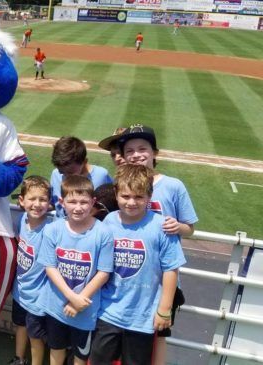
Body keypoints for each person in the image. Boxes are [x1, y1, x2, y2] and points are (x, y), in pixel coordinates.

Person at [115, 124, 197, 365]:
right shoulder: (122, 184)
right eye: (130, 150)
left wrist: (178, 226)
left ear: (155, 152)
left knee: (159, 336)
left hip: (163, 279)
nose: (137, 154)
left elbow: (190, 227)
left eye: (143, 148)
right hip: (129, 276)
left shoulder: (173, 186)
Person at [90, 164, 186, 365]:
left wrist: (164, 309)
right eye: (125, 196)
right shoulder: (109, 221)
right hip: (108, 311)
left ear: (149, 196)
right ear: (116, 194)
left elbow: (171, 269)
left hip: (142, 317)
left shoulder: (161, 226)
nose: (131, 202)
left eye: (139, 197)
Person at [40, 175, 113, 365]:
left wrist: (79, 301)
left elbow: (103, 272)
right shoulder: (53, 229)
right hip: (56, 306)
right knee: (56, 350)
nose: (78, 207)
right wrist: (72, 298)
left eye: (83, 202)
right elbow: (50, 267)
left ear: (93, 202)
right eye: (72, 201)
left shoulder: (103, 232)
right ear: (62, 202)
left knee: (81, 356)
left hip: (85, 310)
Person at [9, 175, 53, 365]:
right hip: (20, 291)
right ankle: (19, 359)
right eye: (32, 199)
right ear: (21, 200)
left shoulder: (52, 228)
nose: (37, 204)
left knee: (36, 337)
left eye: (42, 199)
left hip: (38, 297)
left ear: (49, 203)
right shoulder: (21, 220)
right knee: (20, 326)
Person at [50, 136, 112, 218]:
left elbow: (112, 205)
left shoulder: (101, 175)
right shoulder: (55, 174)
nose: (66, 176)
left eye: (70, 172)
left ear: (84, 162)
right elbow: (53, 204)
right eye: (61, 172)